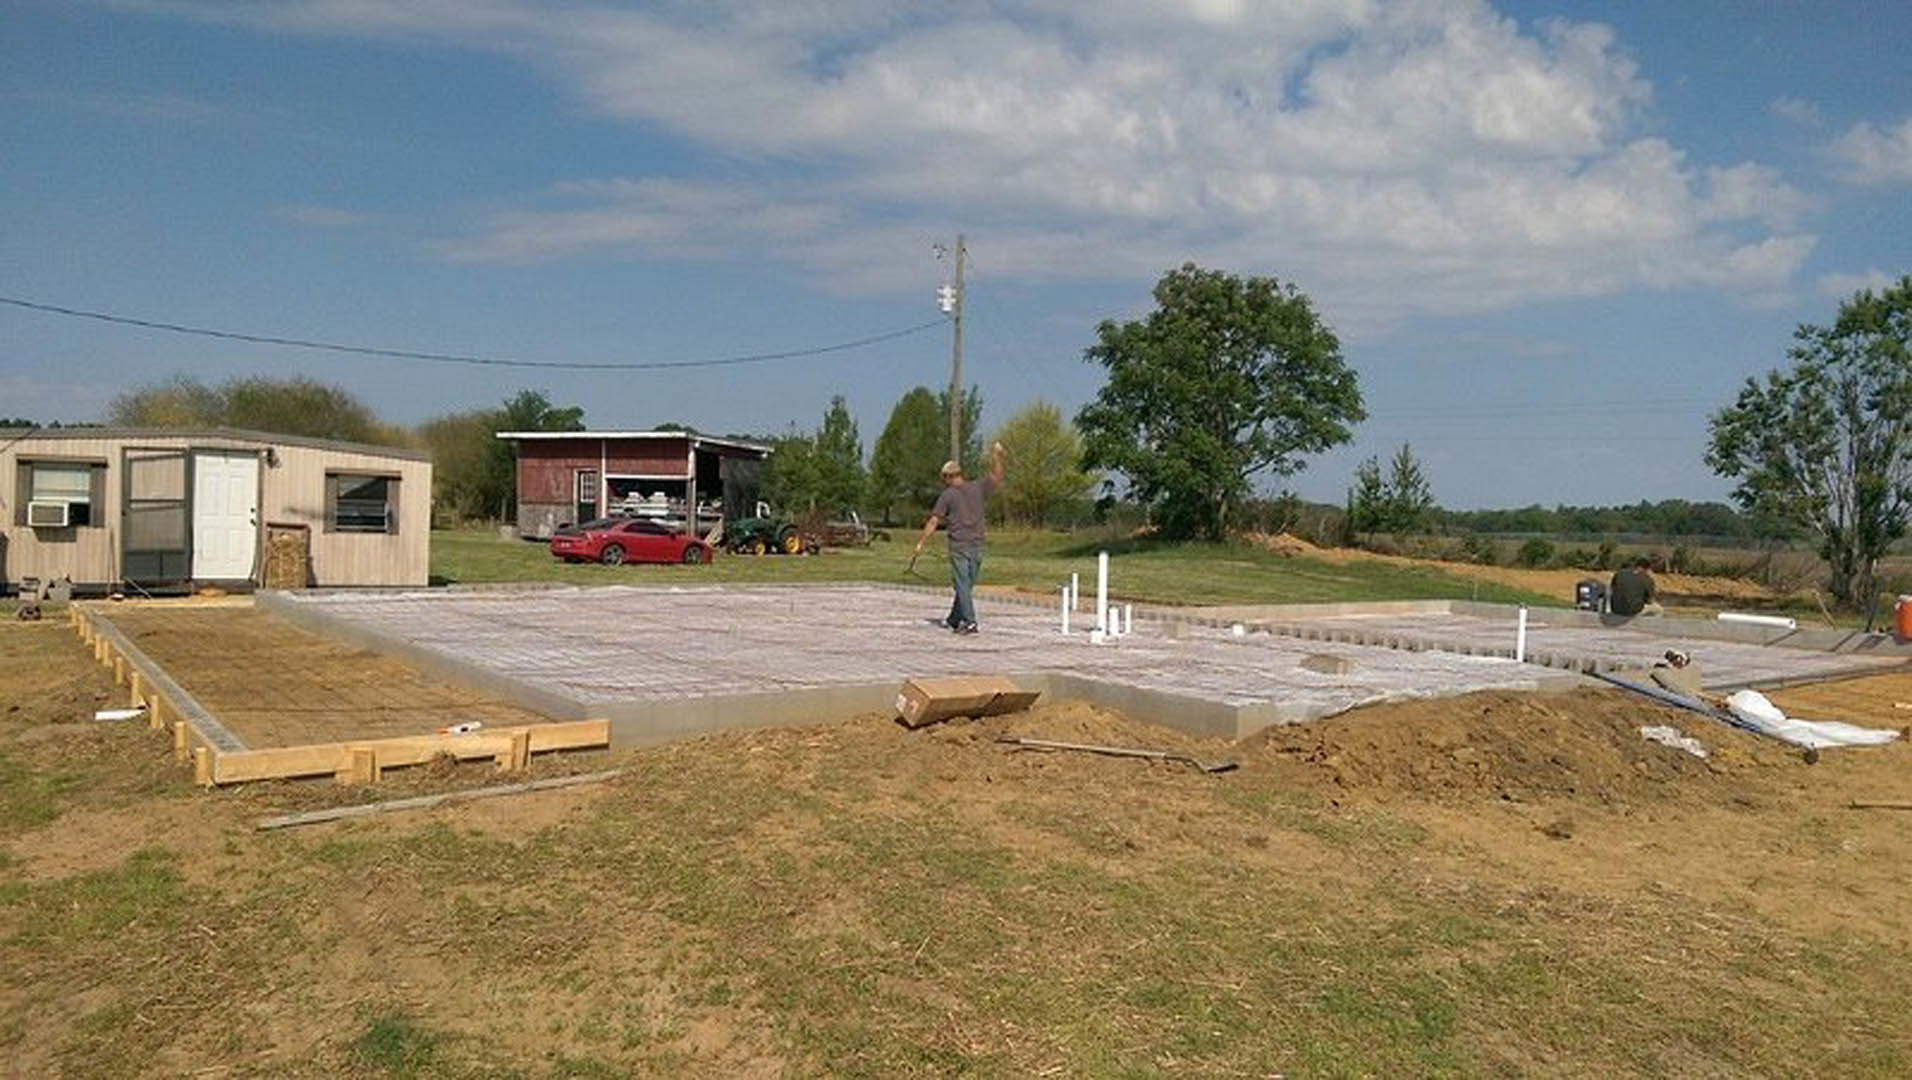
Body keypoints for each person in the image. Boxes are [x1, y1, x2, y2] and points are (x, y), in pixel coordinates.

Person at [913, 441, 1006, 634]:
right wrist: (997, 456)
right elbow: (997, 476)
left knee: (963, 585)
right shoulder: (978, 487)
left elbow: (933, 521)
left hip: (959, 547)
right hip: (978, 545)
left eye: (943, 478)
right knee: (966, 586)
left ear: (948, 477)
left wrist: (921, 541)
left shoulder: (947, 496)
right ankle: (954, 619)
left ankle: (970, 621)